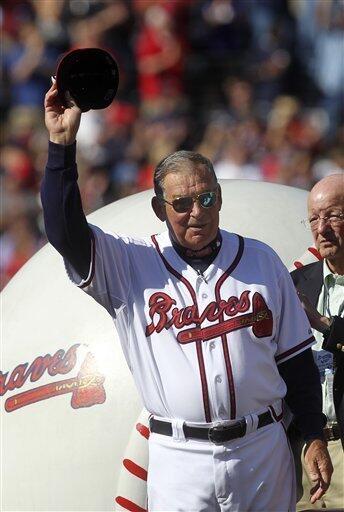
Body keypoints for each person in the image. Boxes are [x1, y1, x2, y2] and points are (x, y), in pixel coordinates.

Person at [41, 81, 333, 512]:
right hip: (179, 457)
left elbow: (295, 361)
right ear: (161, 210)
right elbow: (66, 233)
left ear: (219, 199)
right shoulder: (131, 264)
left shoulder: (260, 260)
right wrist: (61, 147)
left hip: (262, 450)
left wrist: (311, 434)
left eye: (206, 198)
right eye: (181, 203)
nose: (196, 211)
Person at [290, 173, 344, 510]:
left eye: (333, 215)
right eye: (314, 218)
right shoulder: (296, 282)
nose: (321, 228)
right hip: (304, 450)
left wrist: (322, 323)